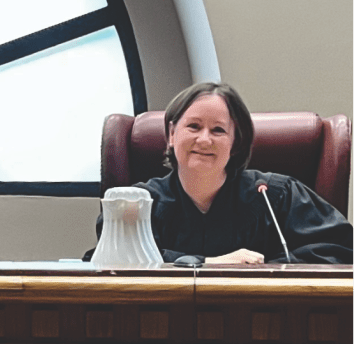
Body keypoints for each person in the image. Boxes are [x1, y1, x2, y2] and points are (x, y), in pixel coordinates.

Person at [87, 82, 352, 264]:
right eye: (193, 126)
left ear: (236, 143)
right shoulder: (135, 203)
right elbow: (116, 258)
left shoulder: (277, 196)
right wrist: (209, 264)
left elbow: (338, 250)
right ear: (170, 134)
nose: (204, 140)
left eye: (218, 130)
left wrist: (261, 269)